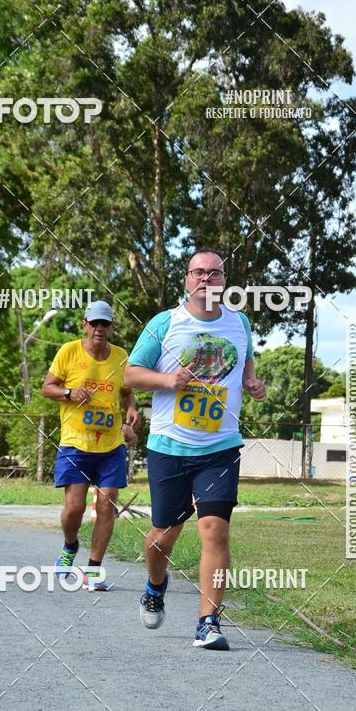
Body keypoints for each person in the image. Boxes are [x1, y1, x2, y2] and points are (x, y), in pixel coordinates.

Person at [125, 249, 265, 649]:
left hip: (221, 446)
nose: (206, 279)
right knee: (161, 537)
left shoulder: (240, 323)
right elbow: (131, 374)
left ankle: (209, 622)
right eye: (198, 272)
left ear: (224, 279)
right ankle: (155, 584)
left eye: (214, 272)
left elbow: (249, 371)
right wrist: (169, 381)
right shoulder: (165, 323)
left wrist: (257, 387)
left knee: (216, 531)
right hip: (170, 446)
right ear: (186, 279)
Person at [41, 300, 140, 590]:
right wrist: (70, 392)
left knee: (106, 504)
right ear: (85, 324)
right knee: (74, 507)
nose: (99, 328)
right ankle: (70, 545)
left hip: (110, 445)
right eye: (94, 323)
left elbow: (126, 391)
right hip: (75, 443)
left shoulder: (121, 357)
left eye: (104, 323)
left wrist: (131, 408)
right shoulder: (69, 352)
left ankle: (93, 571)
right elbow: (47, 388)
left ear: (112, 327)